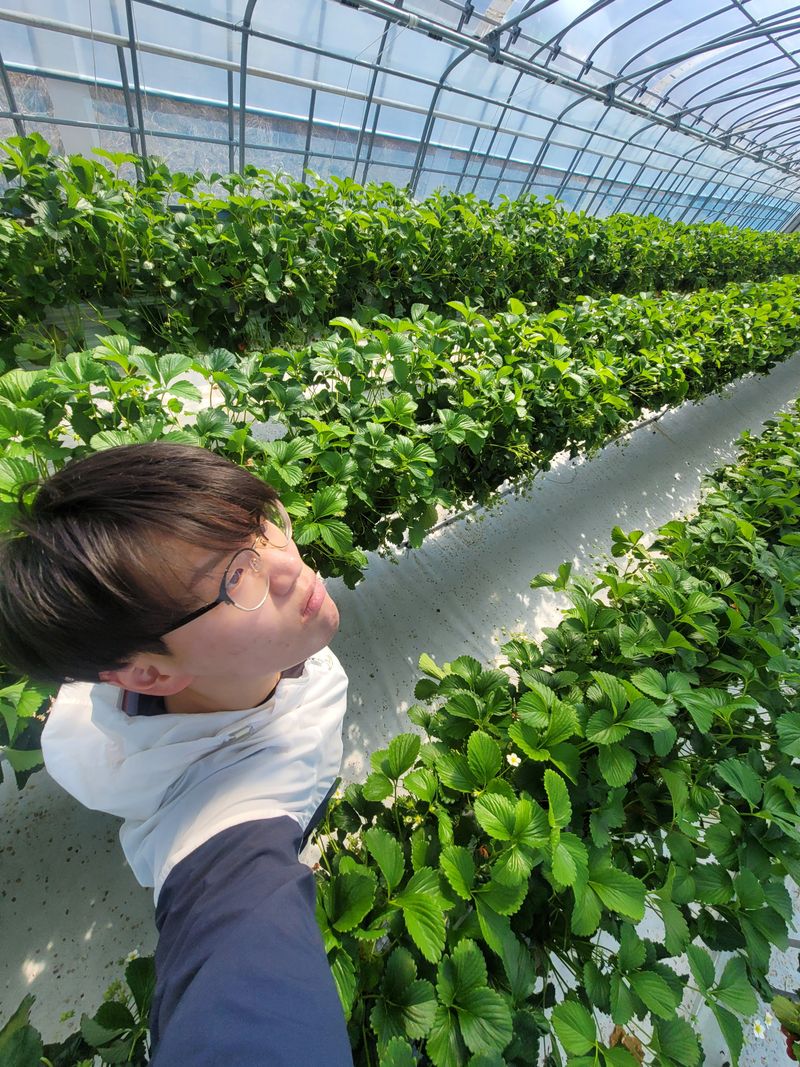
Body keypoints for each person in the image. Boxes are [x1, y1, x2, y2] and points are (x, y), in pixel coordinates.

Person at [0, 442, 354, 1066]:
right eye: (234, 577)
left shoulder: (238, 653)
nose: (289, 565)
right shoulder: (226, 835)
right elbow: (243, 988)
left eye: (260, 522)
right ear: (149, 674)